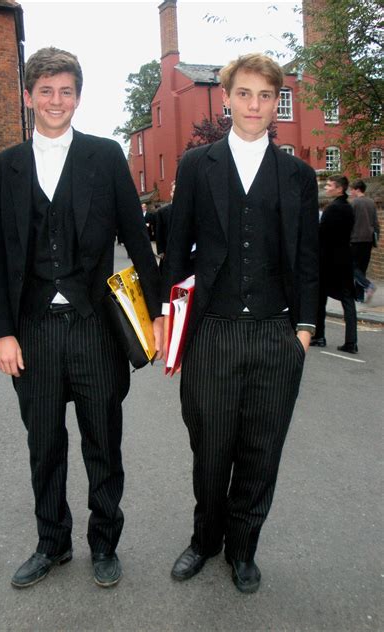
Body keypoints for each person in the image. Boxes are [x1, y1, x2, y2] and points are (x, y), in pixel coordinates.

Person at [0, 47, 163, 590]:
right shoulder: (4, 167)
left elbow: (137, 238)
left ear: (78, 97)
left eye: (66, 91)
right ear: (29, 97)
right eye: (45, 91)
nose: (55, 100)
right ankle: (52, 543)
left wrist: (153, 317)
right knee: (45, 446)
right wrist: (3, 333)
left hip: (94, 329)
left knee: (103, 443)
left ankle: (104, 542)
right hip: (32, 330)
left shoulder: (105, 157)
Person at [161, 53, 319, 594]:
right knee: (210, 448)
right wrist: (170, 319)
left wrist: (303, 329)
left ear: (276, 103)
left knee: (261, 450)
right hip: (213, 331)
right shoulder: (196, 165)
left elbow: (306, 258)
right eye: (245, 94)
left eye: (267, 96)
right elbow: (176, 250)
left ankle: (243, 548)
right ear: (226, 97)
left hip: (277, 333)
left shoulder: (297, 174)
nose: (255, 105)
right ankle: (205, 540)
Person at [311, 175, 358, 353]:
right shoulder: (348, 208)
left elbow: (321, 234)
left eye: (330, 185)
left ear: (340, 189)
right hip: (344, 259)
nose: (326, 188)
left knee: (320, 299)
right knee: (347, 300)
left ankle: (319, 335)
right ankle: (351, 341)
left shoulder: (332, 209)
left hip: (328, 261)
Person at [349, 179, 380, 303]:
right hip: (368, 240)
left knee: (352, 267)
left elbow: (349, 222)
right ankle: (359, 297)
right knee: (362, 269)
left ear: (357, 189)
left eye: (352, 189)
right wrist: (375, 239)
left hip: (355, 239)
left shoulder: (354, 203)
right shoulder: (371, 203)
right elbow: (376, 223)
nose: (351, 192)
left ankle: (368, 285)